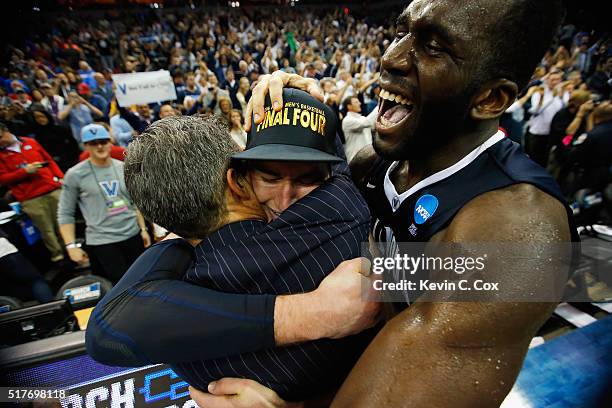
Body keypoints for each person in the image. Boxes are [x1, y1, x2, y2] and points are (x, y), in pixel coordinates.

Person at [193, 0, 579, 406]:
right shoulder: (373, 164)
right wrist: (301, 116)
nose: (391, 58)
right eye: (401, 32)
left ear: (491, 98)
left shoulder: (520, 234)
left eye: (434, 47)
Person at [86, 92, 380, 401]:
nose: (285, 200)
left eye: (307, 180)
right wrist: (310, 313)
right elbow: (436, 274)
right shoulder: (342, 205)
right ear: (239, 177)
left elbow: (105, 332)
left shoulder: (179, 341)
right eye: (269, 177)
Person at [58, 124, 151, 282]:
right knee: (118, 287)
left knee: (143, 280)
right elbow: (65, 213)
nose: (100, 146)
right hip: (102, 242)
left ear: (110, 142)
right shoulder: (75, 174)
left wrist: (143, 229)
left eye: (103, 141)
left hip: (132, 235)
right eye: (94, 143)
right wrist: (70, 246)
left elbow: (135, 202)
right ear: (85, 145)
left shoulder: (123, 167)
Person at [0, 122, 65, 263]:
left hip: (51, 188)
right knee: (46, 230)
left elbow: (49, 160)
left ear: (6, 131)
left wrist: (60, 177)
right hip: (30, 197)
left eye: (0, 137)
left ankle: (71, 250)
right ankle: (58, 257)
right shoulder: (1, 154)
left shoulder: (30, 142)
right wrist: (24, 172)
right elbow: (2, 179)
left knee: (63, 223)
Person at [525, 72, 566, 166]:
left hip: (551, 133)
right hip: (537, 132)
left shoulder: (562, 94)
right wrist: (552, 98)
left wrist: (561, 95)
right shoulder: (540, 92)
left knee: (545, 160)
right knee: (534, 159)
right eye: (552, 80)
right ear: (547, 80)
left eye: (557, 80)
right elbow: (535, 111)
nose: (555, 82)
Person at [29, 104, 80, 172]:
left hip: (70, 160)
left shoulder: (60, 129)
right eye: (37, 118)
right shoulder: (37, 135)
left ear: (47, 116)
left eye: (42, 116)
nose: (40, 119)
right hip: (54, 163)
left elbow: (73, 143)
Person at [341, 96, 377, 161]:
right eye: (356, 102)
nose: (360, 103)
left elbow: (372, 125)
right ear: (349, 106)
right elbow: (367, 122)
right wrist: (380, 106)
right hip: (355, 158)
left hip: (369, 156)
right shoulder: (347, 120)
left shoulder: (362, 118)